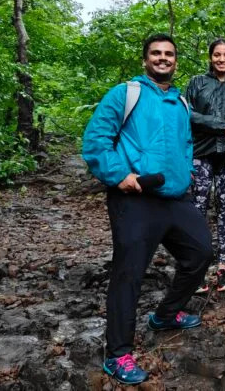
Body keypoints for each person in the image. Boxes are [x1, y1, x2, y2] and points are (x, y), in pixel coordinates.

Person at [82, 33, 212, 386]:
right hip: (135, 198)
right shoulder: (126, 94)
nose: (163, 58)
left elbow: (185, 145)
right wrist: (121, 176)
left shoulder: (181, 102)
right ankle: (117, 354)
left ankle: (165, 315)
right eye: (156, 53)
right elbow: (95, 141)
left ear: (176, 60)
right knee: (129, 274)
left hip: (174, 198)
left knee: (201, 252)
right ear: (145, 60)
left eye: (169, 54)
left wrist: (186, 175)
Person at [185, 38, 225, 293]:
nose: (222, 59)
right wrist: (216, 123)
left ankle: (222, 267)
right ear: (211, 57)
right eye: (217, 55)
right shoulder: (197, 82)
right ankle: (196, 268)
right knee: (198, 207)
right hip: (202, 152)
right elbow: (186, 113)